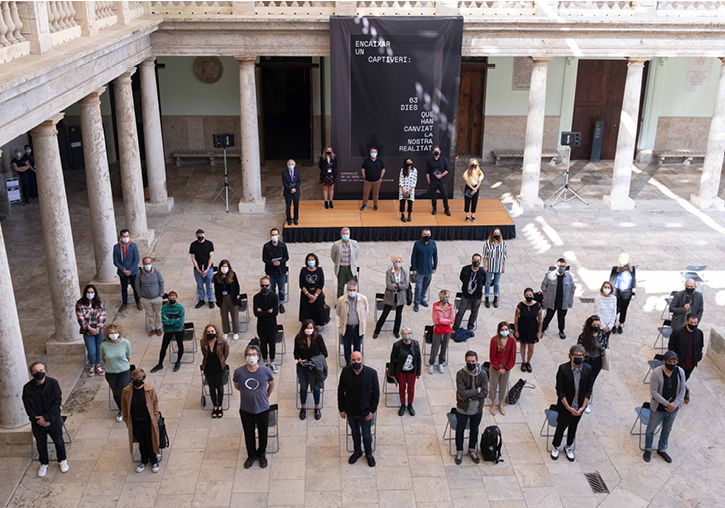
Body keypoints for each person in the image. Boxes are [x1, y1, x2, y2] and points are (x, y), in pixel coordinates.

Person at [22, 362, 69, 477]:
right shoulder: (27, 388)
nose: (39, 373)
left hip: (53, 419)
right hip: (38, 422)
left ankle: (62, 460)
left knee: (58, 441)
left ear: (45, 371)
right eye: (36, 371)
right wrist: (38, 420)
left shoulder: (53, 383)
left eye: (41, 370)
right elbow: (28, 406)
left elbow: (57, 402)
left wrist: (47, 418)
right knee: (41, 444)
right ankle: (44, 463)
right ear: (32, 374)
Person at [233, 344, 275, 469]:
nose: (251, 357)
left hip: (263, 409)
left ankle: (261, 454)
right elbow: (237, 386)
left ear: (258, 357)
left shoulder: (265, 371)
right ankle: (251, 455)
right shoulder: (239, 372)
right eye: (249, 355)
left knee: (263, 433)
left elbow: (271, 385)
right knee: (248, 434)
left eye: (254, 354)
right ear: (245, 357)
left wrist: (265, 397)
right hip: (246, 409)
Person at [551, 345, 593, 462]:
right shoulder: (563, 369)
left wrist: (582, 407)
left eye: (581, 356)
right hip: (566, 406)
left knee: (573, 427)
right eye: (576, 355)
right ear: (571, 356)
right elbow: (560, 390)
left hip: (579, 407)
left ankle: (569, 446)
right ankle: (556, 445)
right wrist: (568, 407)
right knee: (561, 426)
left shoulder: (588, 369)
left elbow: (589, 390)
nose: (578, 358)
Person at [644, 350, 686, 464]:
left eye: (674, 362)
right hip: (659, 408)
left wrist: (675, 405)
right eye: (670, 362)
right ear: (664, 361)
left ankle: (661, 449)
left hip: (673, 409)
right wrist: (667, 404)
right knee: (651, 429)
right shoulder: (657, 373)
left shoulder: (680, 372)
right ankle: (648, 448)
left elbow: (683, 390)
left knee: (667, 430)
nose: (672, 364)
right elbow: (654, 392)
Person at [338, 351, 379, 467]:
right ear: (350, 361)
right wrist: (341, 409)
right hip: (351, 411)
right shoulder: (345, 372)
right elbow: (341, 391)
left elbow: (376, 394)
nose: (356, 362)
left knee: (366, 435)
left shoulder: (371, 373)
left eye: (358, 359)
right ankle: (357, 451)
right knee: (355, 433)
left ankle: (369, 453)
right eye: (354, 360)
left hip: (365, 411)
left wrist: (372, 411)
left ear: (363, 360)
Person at [121, 369, 160, 473]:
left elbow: (155, 403)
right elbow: (124, 406)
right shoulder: (126, 391)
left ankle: (154, 460)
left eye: (138, 379)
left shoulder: (150, 390)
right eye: (134, 379)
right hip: (135, 421)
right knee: (141, 442)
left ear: (143, 379)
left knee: (150, 440)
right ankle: (144, 460)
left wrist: (156, 417)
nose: (136, 381)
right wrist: (126, 418)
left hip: (148, 421)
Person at [454, 351, 488, 465]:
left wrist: (468, 395)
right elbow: (461, 393)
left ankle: (472, 449)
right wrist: (475, 391)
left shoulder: (483, 374)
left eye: (473, 361)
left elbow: (484, 393)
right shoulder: (460, 374)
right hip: (463, 409)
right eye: (468, 362)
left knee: (475, 430)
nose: (471, 364)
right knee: (460, 430)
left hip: (477, 409)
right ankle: (459, 451)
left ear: (477, 361)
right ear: (465, 361)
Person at [294, 320, 329, 420]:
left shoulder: (318, 338)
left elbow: (325, 353)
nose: (309, 330)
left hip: (314, 367)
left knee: (316, 388)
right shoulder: (298, 338)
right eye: (307, 328)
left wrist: (315, 361)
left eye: (311, 328)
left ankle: (317, 408)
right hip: (303, 367)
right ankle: (303, 407)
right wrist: (299, 359)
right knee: (303, 387)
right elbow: (295, 353)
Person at [668, 313, 703, 404]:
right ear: (687, 321)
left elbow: (700, 346)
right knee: (678, 381)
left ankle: (684, 391)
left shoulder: (699, 333)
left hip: (691, 364)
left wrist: (698, 357)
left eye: (695, 323)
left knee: (683, 380)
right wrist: (675, 359)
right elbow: (671, 346)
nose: (694, 325)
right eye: (691, 322)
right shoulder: (677, 332)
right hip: (679, 362)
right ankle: (682, 395)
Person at [576, 315, 607, 413]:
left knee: (591, 381)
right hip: (586, 361)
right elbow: (578, 349)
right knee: (582, 379)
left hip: (597, 361)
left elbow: (604, 346)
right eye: (594, 325)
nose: (597, 327)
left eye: (598, 325)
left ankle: (587, 402)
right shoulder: (583, 336)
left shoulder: (602, 334)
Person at [373, 254, 409, 339]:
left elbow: (406, 285)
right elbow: (389, 285)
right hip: (390, 296)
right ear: (393, 262)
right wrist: (400, 285)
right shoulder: (389, 272)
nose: (397, 263)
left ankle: (396, 331)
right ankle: (377, 331)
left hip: (400, 296)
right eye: (396, 261)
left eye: (399, 261)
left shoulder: (404, 272)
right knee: (385, 314)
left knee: (399, 315)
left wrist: (396, 285)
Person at [100, 324, 132, 422]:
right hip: (111, 372)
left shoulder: (125, 343)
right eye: (111, 333)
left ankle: (128, 409)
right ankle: (122, 410)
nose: (113, 335)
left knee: (123, 390)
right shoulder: (104, 345)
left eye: (115, 333)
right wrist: (111, 364)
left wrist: (120, 365)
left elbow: (128, 357)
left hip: (124, 370)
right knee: (116, 393)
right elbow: (103, 357)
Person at [388, 327, 421, 416]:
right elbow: (392, 359)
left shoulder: (415, 344)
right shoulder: (397, 345)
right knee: (402, 388)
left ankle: (410, 405)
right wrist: (392, 372)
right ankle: (403, 405)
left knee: (411, 388)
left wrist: (418, 372)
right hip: (401, 371)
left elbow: (418, 358)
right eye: (404, 334)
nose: (406, 335)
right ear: (402, 335)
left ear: (411, 334)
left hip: (412, 371)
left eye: (408, 333)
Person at [75, 284, 107, 377]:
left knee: (99, 348)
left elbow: (102, 315)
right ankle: (92, 364)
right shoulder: (80, 304)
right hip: (87, 330)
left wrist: (98, 328)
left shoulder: (99, 302)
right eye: (88, 292)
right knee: (91, 350)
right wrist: (89, 328)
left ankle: (98, 364)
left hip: (98, 328)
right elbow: (80, 318)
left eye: (92, 292)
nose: (90, 294)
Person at [541, 258, 576, 339]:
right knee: (548, 316)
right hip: (552, 301)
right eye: (560, 266)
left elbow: (573, 288)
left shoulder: (569, 276)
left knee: (561, 317)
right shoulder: (549, 275)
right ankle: (542, 329)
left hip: (563, 302)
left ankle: (561, 331)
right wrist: (545, 298)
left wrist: (570, 299)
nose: (561, 268)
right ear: (556, 266)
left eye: (563, 266)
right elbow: (544, 287)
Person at [151, 291, 185, 373]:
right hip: (168, 330)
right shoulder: (164, 308)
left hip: (178, 330)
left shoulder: (180, 308)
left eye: (173, 298)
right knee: (163, 347)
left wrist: (170, 320)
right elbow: (164, 321)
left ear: (176, 298)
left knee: (180, 345)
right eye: (170, 298)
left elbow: (180, 323)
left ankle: (178, 362)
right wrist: (175, 320)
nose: (172, 300)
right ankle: (160, 364)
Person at [336, 280, 369, 366]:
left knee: (357, 346)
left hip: (358, 327)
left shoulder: (363, 299)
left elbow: (366, 311)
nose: (352, 292)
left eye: (354, 290)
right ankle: (348, 363)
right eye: (350, 290)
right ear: (347, 290)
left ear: (357, 289)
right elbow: (338, 312)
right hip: (347, 327)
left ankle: (357, 362)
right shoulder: (341, 300)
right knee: (346, 346)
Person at [200, 324, 230, 418]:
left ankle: (220, 405)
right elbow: (204, 354)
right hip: (208, 369)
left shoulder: (222, 341)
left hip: (219, 368)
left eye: (212, 331)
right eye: (208, 332)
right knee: (212, 388)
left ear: (215, 332)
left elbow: (226, 352)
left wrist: (222, 360)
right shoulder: (203, 342)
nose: (210, 333)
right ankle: (215, 406)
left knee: (220, 387)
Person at [488, 321, 516, 415]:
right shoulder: (494, 340)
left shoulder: (512, 341)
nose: (504, 331)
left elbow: (512, 356)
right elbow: (492, 356)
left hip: (506, 366)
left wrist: (506, 368)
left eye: (506, 329)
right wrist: (497, 368)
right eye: (502, 330)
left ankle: (500, 404)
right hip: (496, 365)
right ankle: (492, 403)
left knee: (503, 385)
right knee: (493, 384)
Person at [453, 254, 486, 332]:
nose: (476, 262)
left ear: (480, 262)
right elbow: (462, 278)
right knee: (460, 312)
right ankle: (455, 327)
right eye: (475, 260)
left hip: (477, 297)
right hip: (466, 295)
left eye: (478, 260)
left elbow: (484, 282)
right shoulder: (465, 269)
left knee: (474, 312)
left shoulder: (482, 272)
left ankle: (470, 326)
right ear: (472, 260)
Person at [254, 276, 279, 373]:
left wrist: (263, 312)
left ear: (270, 285)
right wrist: (268, 311)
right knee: (263, 344)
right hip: (261, 325)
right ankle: (264, 360)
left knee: (272, 343)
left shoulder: (274, 297)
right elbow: (256, 313)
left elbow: (275, 312)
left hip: (272, 325)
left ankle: (272, 361)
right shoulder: (256, 297)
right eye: (262, 285)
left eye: (267, 285)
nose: (265, 287)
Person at [113, 229, 142, 312]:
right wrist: (123, 270)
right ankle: (124, 303)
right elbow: (115, 261)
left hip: (132, 271)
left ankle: (138, 302)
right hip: (122, 272)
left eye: (127, 236)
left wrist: (129, 270)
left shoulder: (133, 246)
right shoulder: (116, 247)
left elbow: (136, 260)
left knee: (135, 287)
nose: (126, 238)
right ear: (121, 237)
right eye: (124, 236)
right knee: (124, 288)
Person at [135, 257, 165, 337]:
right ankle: (153, 328)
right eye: (145, 264)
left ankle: (158, 328)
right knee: (150, 314)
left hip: (157, 297)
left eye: (149, 263)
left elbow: (161, 282)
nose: (147, 265)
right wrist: (140, 296)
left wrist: (161, 294)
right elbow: (137, 285)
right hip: (145, 298)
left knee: (158, 314)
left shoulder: (156, 271)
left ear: (151, 263)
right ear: (143, 264)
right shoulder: (140, 273)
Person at [514, 288, 542, 373]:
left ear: (533, 295)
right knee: (523, 344)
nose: (528, 296)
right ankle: (523, 361)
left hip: (533, 327)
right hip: (523, 326)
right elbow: (516, 318)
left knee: (531, 347)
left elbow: (540, 319)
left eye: (530, 295)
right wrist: (516, 330)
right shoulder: (520, 305)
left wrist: (539, 331)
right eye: (527, 295)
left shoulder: (537, 305)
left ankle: (528, 362)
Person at [262, 228, 289, 313]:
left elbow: (286, 257)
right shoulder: (266, 246)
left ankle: (281, 303)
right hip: (271, 271)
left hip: (281, 271)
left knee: (281, 289)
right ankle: (273, 304)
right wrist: (271, 263)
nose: (274, 236)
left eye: (276, 235)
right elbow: (264, 259)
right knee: (272, 289)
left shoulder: (283, 245)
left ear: (279, 235)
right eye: (272, 235)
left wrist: (280, 262)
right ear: (270, 236)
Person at [410, 228, 437, 313]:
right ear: (422, 235)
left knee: (425, 286)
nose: (427, 236)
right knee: (418, 287)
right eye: (425, 234)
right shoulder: (417, 244)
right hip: (419, 270)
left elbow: (435, 256)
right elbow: (413, 256)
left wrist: (434, 267)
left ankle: (422, 298)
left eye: (428, 234)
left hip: (429, 270)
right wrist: (414, 268)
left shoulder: (433, 244)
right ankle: (416, 302)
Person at [213, 259, 241, 340]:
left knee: (234, 315)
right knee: (224, 316)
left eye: (226, 267)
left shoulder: (232, 274)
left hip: (231, 297)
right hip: (222, 297)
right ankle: (226, 331)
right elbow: (216, 289)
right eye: (223, 267)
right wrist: (218, 300)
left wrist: (237, 295)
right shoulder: (216, 277)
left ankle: (236, 331)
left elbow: (236, 285)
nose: (224, 268)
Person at [609, 253, 636, 334]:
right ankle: (613, 324)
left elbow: (634, 279)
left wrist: (633, 288)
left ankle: (621, 324)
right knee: (614, 308)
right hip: (616, 291)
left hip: (627, 291)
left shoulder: (632, 269)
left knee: (624, 309)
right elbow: (611, 280)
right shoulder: (615, 269)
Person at [429, 290, 454, 374]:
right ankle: (431, 363)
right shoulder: (435, 306)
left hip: (447, 330)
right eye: (443, 297)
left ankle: (441, 362)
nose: (445, 299)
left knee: (444, 346)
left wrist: (441, 320)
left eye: (446, 297)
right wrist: (446, 320)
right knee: (435, 347)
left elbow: (452, 320)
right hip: (438, 330)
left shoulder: (451, 307)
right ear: (440, 297)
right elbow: (435, 320)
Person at [331, 227, 359, 298]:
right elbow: (333, 256)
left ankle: (353, 299)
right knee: (340, 286)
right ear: (341, 235)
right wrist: (338, 263)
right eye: (344, 234)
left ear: (349, 234)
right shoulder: (336, 244)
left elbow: (356, 255)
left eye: (347, 233)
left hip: (351, 268)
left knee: (352, 285)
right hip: (341, 268)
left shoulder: (354, 243)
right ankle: (339, 301)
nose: (345, 235)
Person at [299, 253, 326, 327]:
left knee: (317, 310)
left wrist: (315, 296)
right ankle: (307, 325)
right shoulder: (303, 270)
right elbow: (301, 285)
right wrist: (309, 295)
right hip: (306, 294)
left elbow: (321, 285)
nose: (311, 261)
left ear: (316, 261)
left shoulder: (320, 270)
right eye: (309, 260)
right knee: (307, 311)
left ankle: (316, 325)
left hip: (316, 294)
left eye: (312, 260)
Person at [190, 229, 214, 309]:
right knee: (199, 285)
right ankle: (201, 299)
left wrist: (208, 268)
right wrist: (197, 269)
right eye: (198, 234)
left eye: (201, 234)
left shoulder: (209, 244)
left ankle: (210, 300)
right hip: (198, 269)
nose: (200, 236)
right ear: (196, 235)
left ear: (204, 234)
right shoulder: (193, 245)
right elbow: (193, 258)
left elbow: (211, 257)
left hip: (208, 268)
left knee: (209, 285)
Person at [483, 228, 507, 308]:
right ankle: (487, 297)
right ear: (492, 234)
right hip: (490, 265)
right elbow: (485, 256)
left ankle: (495, 298)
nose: (497, 235)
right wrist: (484, 266)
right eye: (495, 233)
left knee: (496, 282)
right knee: (488, 282)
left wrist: (504, 266)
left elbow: (504, 256)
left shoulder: (503, 243)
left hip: (498, 266)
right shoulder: (487, 243)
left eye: (498, 233)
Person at [426, 145, 451, 216]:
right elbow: (427, 172)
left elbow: (447, 170)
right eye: (435, 151)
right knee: (433, 196)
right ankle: (434, 209)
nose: (436, 152)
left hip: (441, 181)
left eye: (437, 151)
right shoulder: (429, 160)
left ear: (440, 151)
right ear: (433, 152)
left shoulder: (444, 159)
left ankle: (446, 209)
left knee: (445, 194)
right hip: (433, 181)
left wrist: (441, 175)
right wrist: (429, 182)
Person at [360, 147, 385, 211]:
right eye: (372, 152)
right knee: (366, 193)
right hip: (368, 180)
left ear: (377, 153)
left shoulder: (380, 161)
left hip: (377, 180)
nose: (373, 153)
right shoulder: (366, 161)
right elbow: (363, 169)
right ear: (370, 153)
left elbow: (383, 169)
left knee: (376, 193)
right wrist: (364, 177)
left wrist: (380, 177)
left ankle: (375, 205)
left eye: (374, 152)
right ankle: (364, 205)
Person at [282, 159, 301, 225]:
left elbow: (299, 182)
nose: (291, 166)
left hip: (296, 191)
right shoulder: (284, 172)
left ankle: (295, 218)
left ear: (294, 165)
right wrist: (290, 189)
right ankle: (289, 218)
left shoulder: (297, 172)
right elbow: (284, 183)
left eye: (292, 164)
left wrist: (295, 188)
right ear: (287, 165)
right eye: (289, 164)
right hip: (288, 192)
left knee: (296, 205)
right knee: (288, 206)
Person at [399, 158, 417, 222]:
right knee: (402, 203)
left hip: (411, 189)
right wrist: (402, 189)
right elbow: (400, 179)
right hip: (403, 189)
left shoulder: (414, 170)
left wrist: (410, 190)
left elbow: (415, 180)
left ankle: (409, 215)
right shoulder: (402, 170)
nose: (409, 163)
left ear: (412, 162)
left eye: (410, 161)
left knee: (410, 203)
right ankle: (402, 215)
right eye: (407, 162)